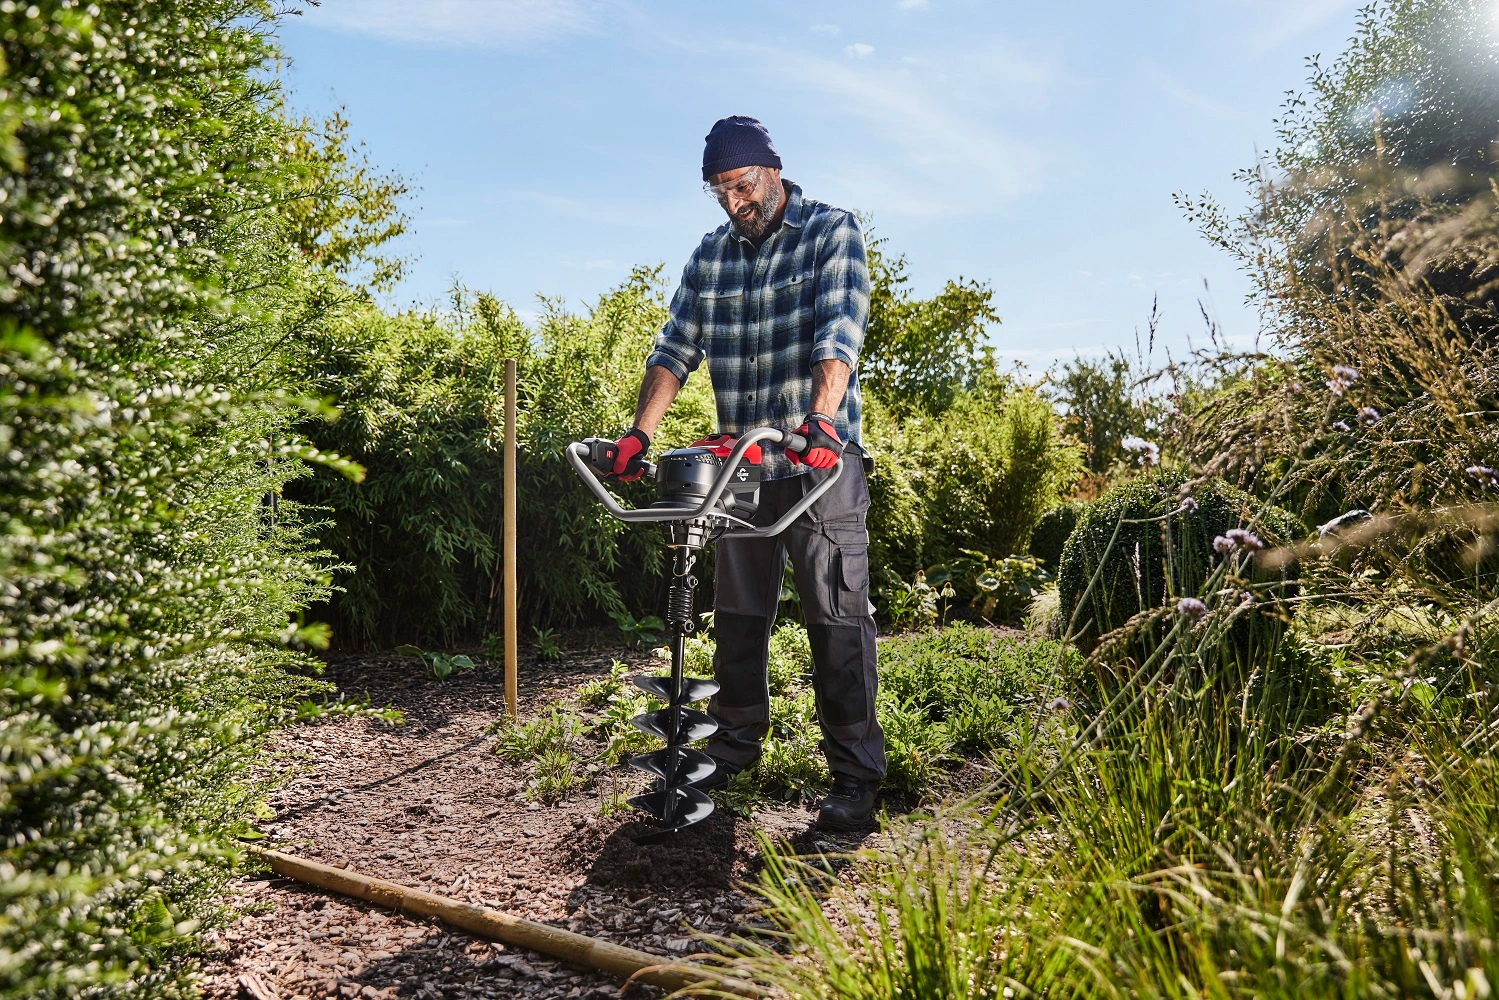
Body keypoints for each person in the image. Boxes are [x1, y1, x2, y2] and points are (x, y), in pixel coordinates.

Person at [603, 115, 885, 830]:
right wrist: (639, 433)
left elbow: (838, 329)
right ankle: (731, 745)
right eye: (718, 190)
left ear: (772, 170)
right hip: (742, 470)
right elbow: (674, 349)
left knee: (836, 618)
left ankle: (854, 777)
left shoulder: (830, 230)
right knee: (737, 618)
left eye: (741, 184)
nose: (733, 201)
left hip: (819, 464)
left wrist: (822, 419)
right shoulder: (710, 257)